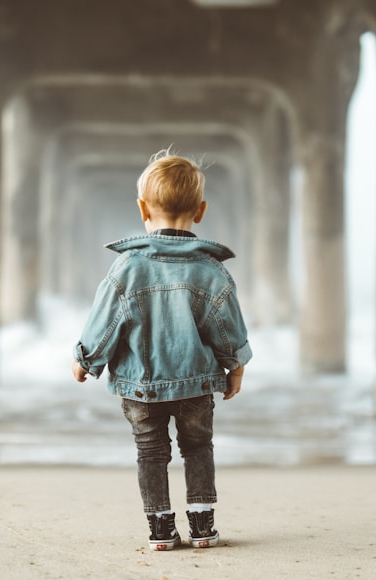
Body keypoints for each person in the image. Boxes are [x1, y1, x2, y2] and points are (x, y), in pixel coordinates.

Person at [71, 149, 252, 551]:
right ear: (200, 211)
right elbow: (227, 327)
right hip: (195, 385)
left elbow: (105, 320)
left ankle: (161, 529)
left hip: (141, 386)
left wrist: (86, 358)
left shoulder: (127, 268)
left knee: (150, 453)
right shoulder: (210, 270)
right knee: (198, 448)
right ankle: (203, 527)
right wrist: (234, 366)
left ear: (142, 209)